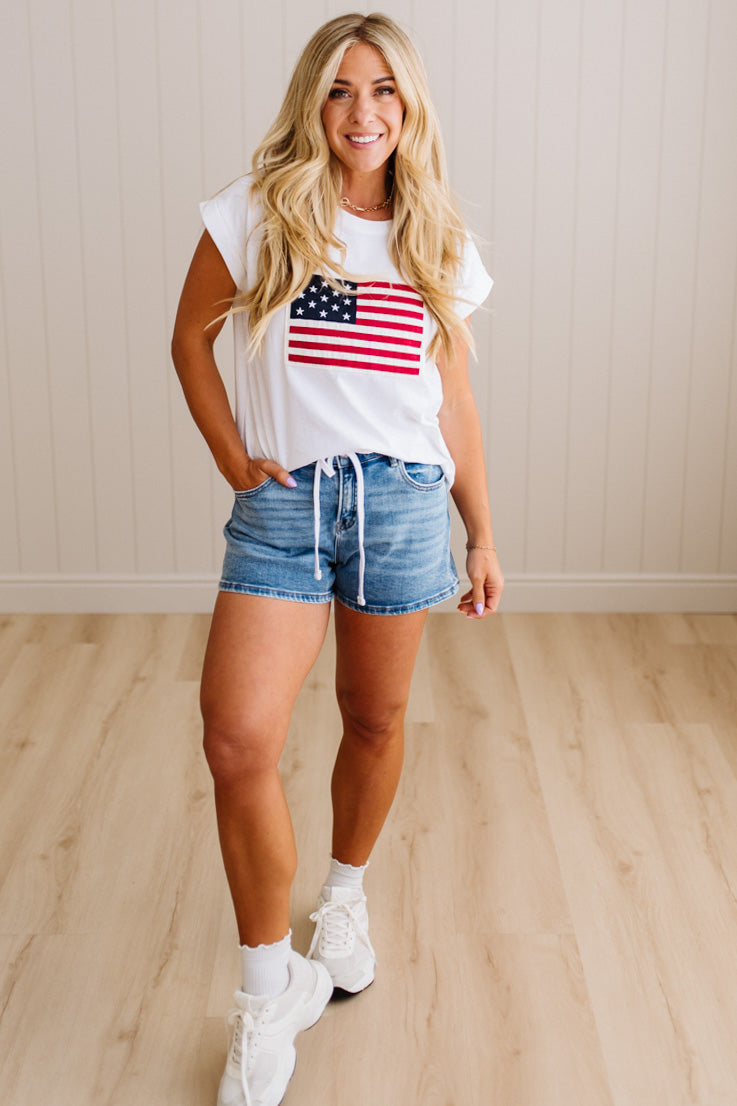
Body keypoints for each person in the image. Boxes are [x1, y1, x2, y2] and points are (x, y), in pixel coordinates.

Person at [171, 11, 503, 1106]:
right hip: (287, 504)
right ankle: (272, 990)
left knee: (372, 718)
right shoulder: (261, 211)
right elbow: (190, 338)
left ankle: (344, 893)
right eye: (339, 91)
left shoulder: (436, 238)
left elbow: (448, 397)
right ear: (312, 104)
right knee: (236, 739)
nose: (362, 113)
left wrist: (481, 527)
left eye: (383, 93)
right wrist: (234, 457)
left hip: (402, 503)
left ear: (408, 110)